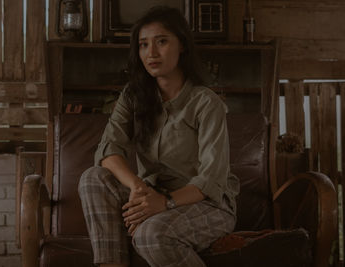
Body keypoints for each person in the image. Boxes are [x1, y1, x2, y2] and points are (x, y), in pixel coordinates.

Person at [78, 6, 239, 267]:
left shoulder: (206, 103)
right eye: (143, 45)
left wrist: (165, 203)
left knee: (151, 236)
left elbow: (211, 181)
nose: (151, 53)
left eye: (161, 42)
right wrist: (138, 187)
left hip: (207, 204)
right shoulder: (133, 96)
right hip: (152, 194)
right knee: (92, 179)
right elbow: (108, 151)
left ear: (182, 46)